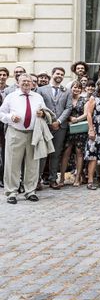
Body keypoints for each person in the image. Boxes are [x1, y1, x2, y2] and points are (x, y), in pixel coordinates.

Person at [0, 74, 46, 203]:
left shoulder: (38, 97)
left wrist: (42, 114)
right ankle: (11, 192)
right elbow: (1, 113)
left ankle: (30, 191)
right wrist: (10, 117)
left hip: (33, 133)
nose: (26, 83)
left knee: (32, 163)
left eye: (28, 81)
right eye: (23, 81)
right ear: (18, 83)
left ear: (32, 84)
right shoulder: (11, 96)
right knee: (12, 163)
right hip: (15, 132)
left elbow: (45, 112)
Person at [37, 67, 72, 189]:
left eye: (62, 74)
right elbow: (39, 106)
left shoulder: (67, 91)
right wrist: (49, 120)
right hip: (45, 126)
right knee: (42, 153)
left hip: (60, 126)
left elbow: (68, 108)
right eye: (58, 73)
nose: (60, 76)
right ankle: (37, 180)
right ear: (52, 74)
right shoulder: (41, 90)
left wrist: (59, 121)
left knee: (56, 154)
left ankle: (53, 179)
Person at [58, 81, 88, 187]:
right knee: (66, 152)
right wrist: (70, 118)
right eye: (75, 87)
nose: (76, 89)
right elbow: (63, 111)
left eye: (79, 88)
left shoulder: (84, 100)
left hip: (80, 129)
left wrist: (76, 119)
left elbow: (86, 114)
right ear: (71, 88)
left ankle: (77, 178)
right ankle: (61, 178)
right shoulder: (67, 99)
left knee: (79, 153)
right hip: (68, 129)